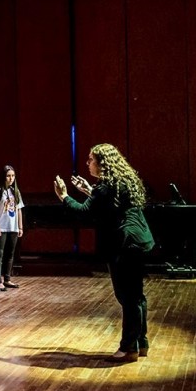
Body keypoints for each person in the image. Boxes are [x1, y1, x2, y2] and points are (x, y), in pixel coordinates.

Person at [54, 143, 154, 363]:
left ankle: (128, 348)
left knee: (127, 297)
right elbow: (108, 204)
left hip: (123, 244)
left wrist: (64, 196)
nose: (88, 163)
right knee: (137, 295)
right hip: (138, 241)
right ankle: (141, 342)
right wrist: (89, 190)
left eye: (91, 159)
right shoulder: (122, 182)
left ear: (102, 163)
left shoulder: (106, 187)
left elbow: (84, 212)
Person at [0, 165, 24, 289]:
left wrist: (20, 227)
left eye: (13, 176)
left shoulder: (15, 191)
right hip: (2, 226)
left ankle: (7, 278)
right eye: (8, 176)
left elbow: (19, 209)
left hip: (13, 227)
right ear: (3, 177)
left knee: (10, 254)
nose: (11, 178)